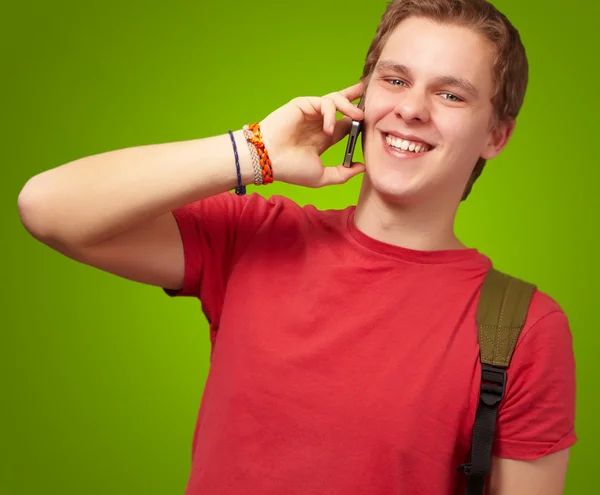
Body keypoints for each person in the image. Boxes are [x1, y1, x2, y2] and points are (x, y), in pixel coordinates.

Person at [18, 0, 576, 493]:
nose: (411, 109)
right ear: (361, 97)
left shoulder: (523, 327)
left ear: (495, 136)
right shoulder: (257, 236)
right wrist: (255, 151)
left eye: (451, 93)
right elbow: (48, 207)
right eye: (396, 80)